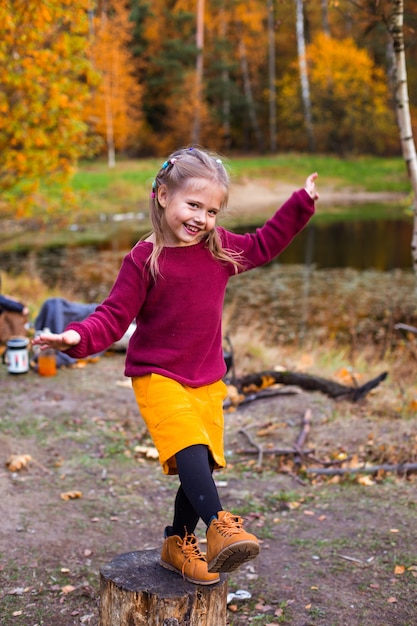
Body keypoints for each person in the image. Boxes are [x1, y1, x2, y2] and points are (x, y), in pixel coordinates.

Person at [33, 146, 319, 585]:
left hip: (206, 377)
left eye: (212, 210)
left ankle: (177, 543)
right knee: (187, 444)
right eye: (193, 205)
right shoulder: (144, 259)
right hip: (157, 374)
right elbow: (113, 316)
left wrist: (301, 203)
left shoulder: (219, 249)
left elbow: (263, 244)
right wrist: (75, 336)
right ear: (163, 195)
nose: (202, 218)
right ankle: (220, 526)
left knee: (199, 460)